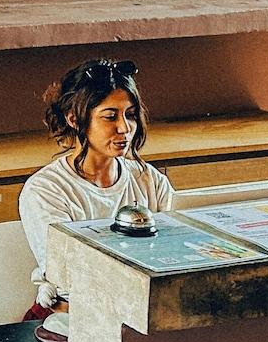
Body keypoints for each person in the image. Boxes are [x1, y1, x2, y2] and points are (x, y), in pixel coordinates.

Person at [17, 58, 174, 313]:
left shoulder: (149, 179)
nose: (124, 128)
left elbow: (175, 251)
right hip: (71, 315)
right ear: (74, 119)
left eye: (130, 115)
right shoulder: (45, 190)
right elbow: (69, 275)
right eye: (110, 116)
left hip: (140, 309)